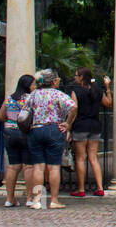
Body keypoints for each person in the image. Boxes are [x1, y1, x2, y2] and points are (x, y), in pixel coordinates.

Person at [24, 69, 77, 209]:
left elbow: (25, 109)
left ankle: (37, 200)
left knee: (38, 167)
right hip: (54, 129)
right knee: (53, 167)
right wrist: (68, 123)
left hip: (36, 129)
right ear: (54, 81)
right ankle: (54, 199)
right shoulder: (58, 94)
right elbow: (73, 107)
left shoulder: (34, 94)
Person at [66, 67, 111, 197]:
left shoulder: (76, 91)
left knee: (80, 158)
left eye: (76, 76)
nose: (74, 78)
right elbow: (108, 103)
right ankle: (100, 187)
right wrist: (107, 88)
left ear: (81, 77)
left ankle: (81, 189)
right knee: (93, 157)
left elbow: (74, 109)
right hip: (95, 125)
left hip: (80, 125)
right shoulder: (97, 89)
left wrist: (68, 125)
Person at [0, 74, 34, 207]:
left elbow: (0, 116)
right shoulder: (30, 99)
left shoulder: (9, 99)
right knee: (28, 166)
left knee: (13, 166)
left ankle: (9, 198)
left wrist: (11, 121)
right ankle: (29, 197)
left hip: (10, 132)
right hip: (25, 132)